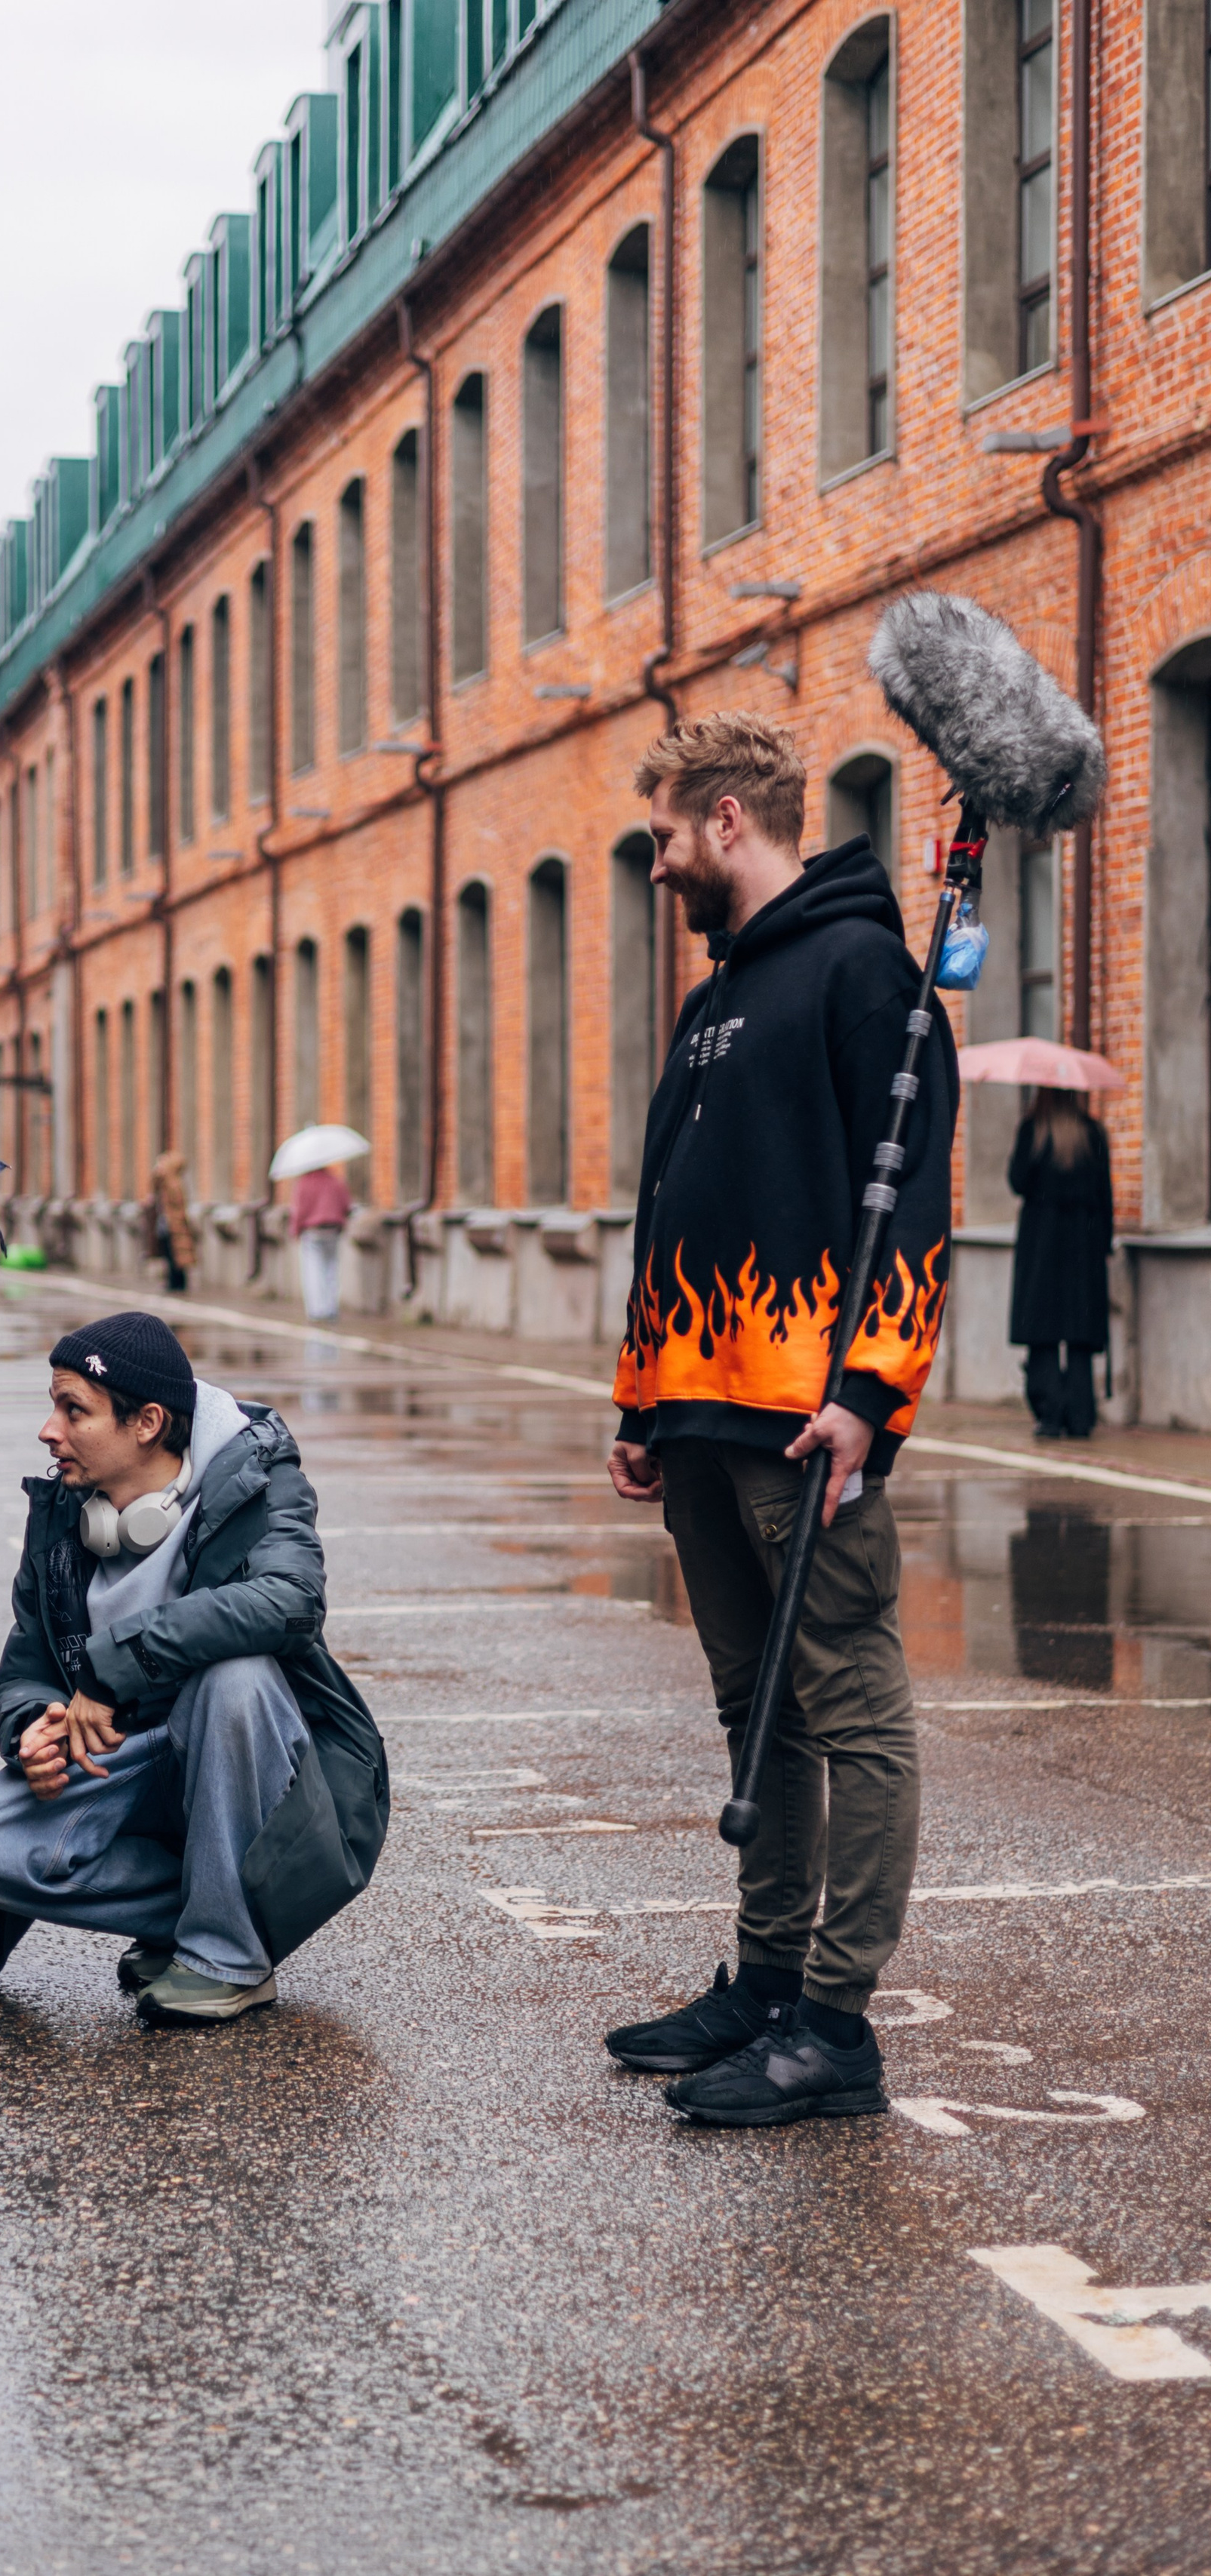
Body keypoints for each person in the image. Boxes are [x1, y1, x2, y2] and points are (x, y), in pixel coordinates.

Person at [602, 712, 957, 2127]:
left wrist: (871, 1395)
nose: (656, 865)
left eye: (664, 838)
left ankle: (834, 2024)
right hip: (700, 1411)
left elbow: (914, 1199)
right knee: (754, 1712)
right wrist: (643, 1394)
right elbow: (678, 1201)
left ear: (729, 821)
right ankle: (759, 1984)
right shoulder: (717, 996)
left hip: (807, 1418)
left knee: (850, 1709)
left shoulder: (866, 971)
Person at [0, 1310, 389, 2027]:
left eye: (75, 1409)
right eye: (53, 1406)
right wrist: (30, 1725)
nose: (49, 1429)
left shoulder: (257, 1482)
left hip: (240, 1757)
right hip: (122, 1763)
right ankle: (200, 1910)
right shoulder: (66, 1511)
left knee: (236, 1676)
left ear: (148, 1421)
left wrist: (111, 1668)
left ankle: (230, 1959)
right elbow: (25, 1664)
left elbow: (291, 1601)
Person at [1008, 1088, 1112, 1441]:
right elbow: (1105, 1193)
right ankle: (1081, 1416)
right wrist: (1104, 1244)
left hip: (1043, 1244)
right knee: (1080, 1332)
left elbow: (1017, 1181)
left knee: (1043, 1332)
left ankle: (1050, 1415)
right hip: (1084, 1244)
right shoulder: (1092, 1132)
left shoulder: (1034, 1130)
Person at [292, 1163, 352, 1321]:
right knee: (331, 1268)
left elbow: (299, 1211)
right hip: (333, 1229)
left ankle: (317, 1309)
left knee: (313, 1269)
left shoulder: (305, 1183)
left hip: (312, 1231)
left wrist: (296, 1230)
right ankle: (331, 1307)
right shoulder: (336, 1182)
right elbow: (347, 1206)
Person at [150, 1151, 195, 1294]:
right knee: (172, 1254)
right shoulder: (172, 1181)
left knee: (174, 1255)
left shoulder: (172, 1182)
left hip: (173, 1224)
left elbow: (156, 1179)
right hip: (170, 1223)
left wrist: (160, 1168)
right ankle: (174, 1282)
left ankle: (176, 1283)